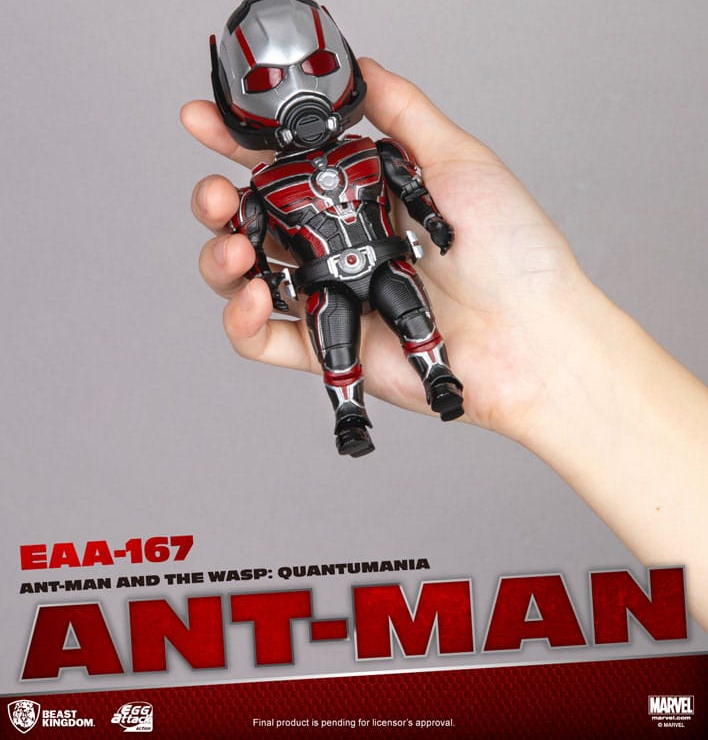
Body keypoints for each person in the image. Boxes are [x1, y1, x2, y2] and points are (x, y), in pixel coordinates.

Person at [182, 57, 708, 632]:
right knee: (336, 342)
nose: (296, 96)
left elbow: (411, 188)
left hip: (385, 259)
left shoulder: (369, 152)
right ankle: (350, 415)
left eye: (314, 70)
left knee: (411, 315)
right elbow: (254, 244)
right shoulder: (263, 186)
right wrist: (265, 277)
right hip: (327, 278)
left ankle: (438, 377)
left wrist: (433, 221)